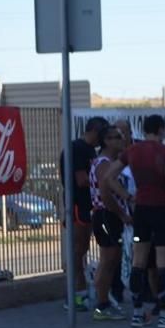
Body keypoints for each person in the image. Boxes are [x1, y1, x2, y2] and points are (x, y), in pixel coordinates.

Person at [107, 114, 165, 328]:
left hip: (141, 211)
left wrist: (127, 196)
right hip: (161, 210)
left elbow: (108, 177)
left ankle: (138, 314)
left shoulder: (132, 151)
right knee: (164, 263)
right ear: (161, 130)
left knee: (139, 262)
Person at [59, 116, 108, 311]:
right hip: (78, 205)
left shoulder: (89, 150)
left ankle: (80, 290)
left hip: (88, 205)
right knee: (78, 250)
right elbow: (81, 180)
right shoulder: (76, 149)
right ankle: (75, 294)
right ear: (95, 131)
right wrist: (106, 180)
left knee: (83, 249)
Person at [89, 125, 133, 320]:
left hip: (109, 215)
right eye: (116, 137)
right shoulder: (104, 164)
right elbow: (106, 195)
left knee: (113, 259)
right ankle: (101, 304)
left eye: (121, 136)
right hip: (106, 215)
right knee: (107, 260)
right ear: (106, 141)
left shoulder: (111, 162)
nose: (120, 140)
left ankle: (104, 300)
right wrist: (123, 214)